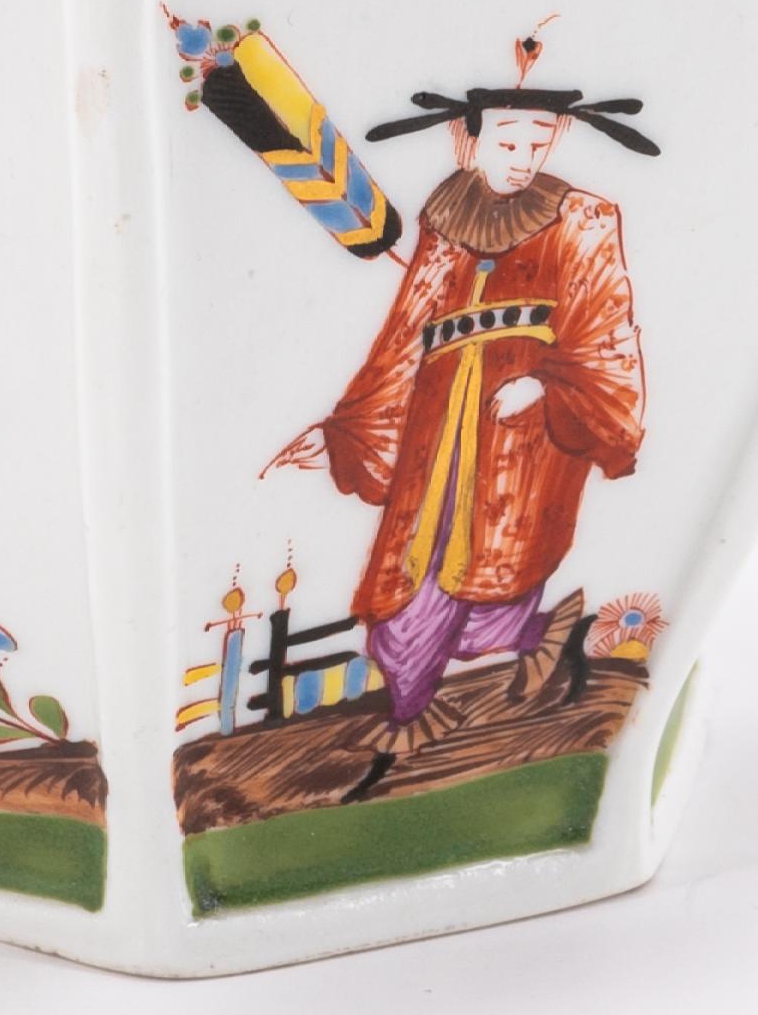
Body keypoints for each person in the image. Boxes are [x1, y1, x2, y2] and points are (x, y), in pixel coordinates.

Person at [266, 51, 655, 753]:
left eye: (538, 143)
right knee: (406, 595)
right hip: (436, 429)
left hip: (523, 435)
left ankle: (528, 643)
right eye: (508, 142)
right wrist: (345, 431)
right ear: (466, 139)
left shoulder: (583, 219)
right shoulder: (444, 221)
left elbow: (606, 332)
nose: (523, 160)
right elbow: (404, 335)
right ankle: (411, 713)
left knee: (493, 581)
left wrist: (550, 385)